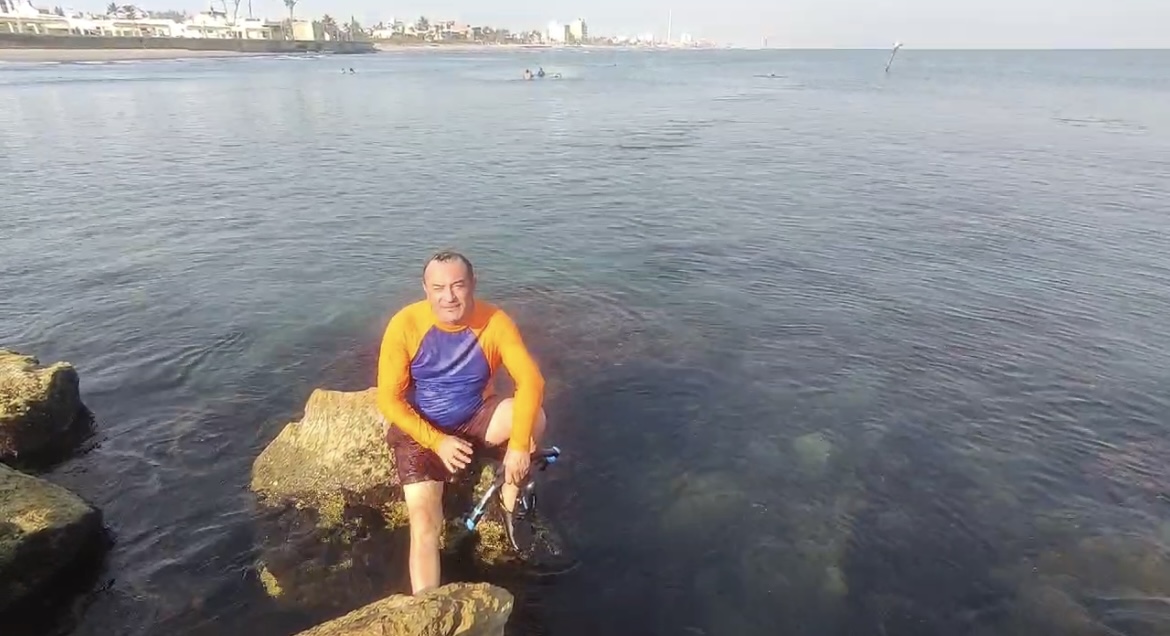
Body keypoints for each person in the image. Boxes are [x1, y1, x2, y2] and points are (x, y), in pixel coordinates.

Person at [376, 250, 547, 594]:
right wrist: (437, 442)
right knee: (425, 523)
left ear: (473, 284)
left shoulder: (494, 321)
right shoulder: (406, 324)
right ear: (425, 289)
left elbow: (531, 382)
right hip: (422, 431)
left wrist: (518, 447)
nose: (449, 297)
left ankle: (509, 499)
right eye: (438, 288)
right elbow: (389, 400)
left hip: (475, 415)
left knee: (533, 417)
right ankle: (426, 604)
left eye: (458, 285)